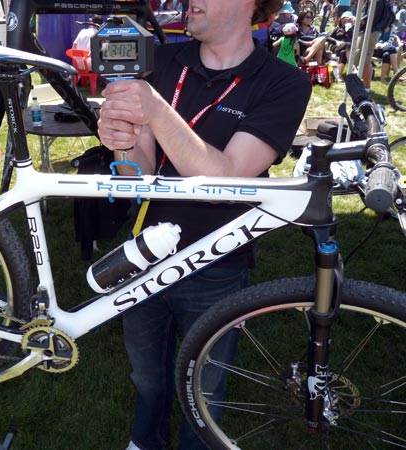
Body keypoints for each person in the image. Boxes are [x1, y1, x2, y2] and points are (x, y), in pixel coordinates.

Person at [96, 1, 311, 449]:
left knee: (205, 387)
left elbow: (227, 179)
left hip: (218, 262)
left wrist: (156, 111)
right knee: (146, 376)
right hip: (145, 253)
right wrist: (123, 140)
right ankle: (145, 440)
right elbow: (140, 172)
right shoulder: (161, 60)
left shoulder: (284, 82)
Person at [354, 0, 395, 91]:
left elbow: (370, 18)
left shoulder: (376, 2)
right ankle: (363, 84)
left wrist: (357, 20)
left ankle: (367, 87)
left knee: (365, 61)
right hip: (369, 31)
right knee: (361, 59)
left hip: (370, 32)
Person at [328, 10, 355, 81]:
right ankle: (352, 67)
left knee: (343, 52)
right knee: (347, 44)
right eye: (344, 19)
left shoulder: (353, 29)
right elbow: (327, 37)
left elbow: (356, 39)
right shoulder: (337, 29)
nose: (345, 21)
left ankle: (338, 75)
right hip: (336, 48)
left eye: (348, 19)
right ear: (341, 20)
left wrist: (349, 29)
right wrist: (335, 41)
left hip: (349, 50)